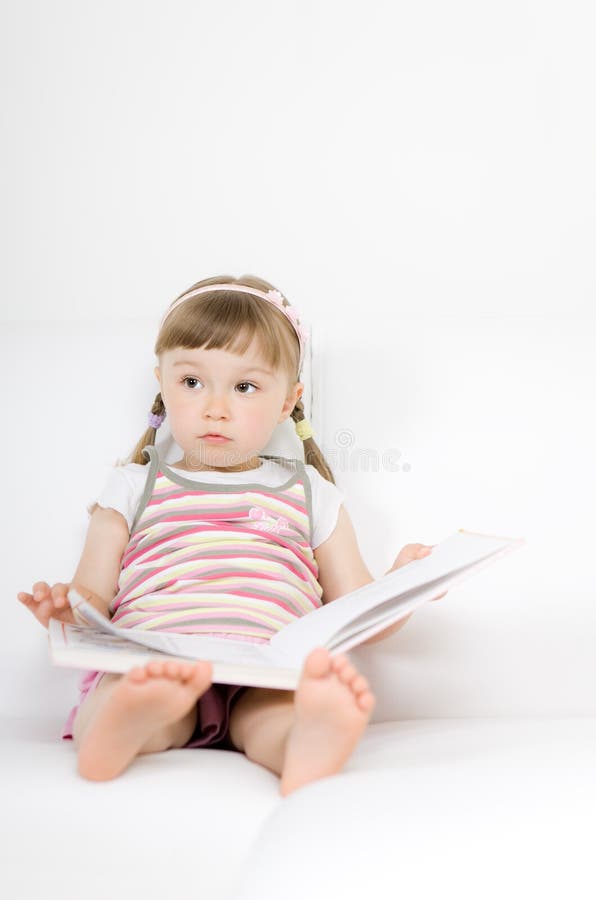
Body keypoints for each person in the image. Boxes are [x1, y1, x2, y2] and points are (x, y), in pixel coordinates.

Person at [17, 274, 440, 796]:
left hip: (265, 666)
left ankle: (304, 744)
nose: (215, 407)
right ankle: (119, 728)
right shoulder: (132, 485)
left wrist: (404, 586)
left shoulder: (311, 492)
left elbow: (355, 611)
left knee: (275, 715)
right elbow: (92, 596)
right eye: (192, 382)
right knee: (129, 692)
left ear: (288, 401)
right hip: (154, 659)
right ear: (163, 382)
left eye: (245, 387)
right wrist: (67, 610)